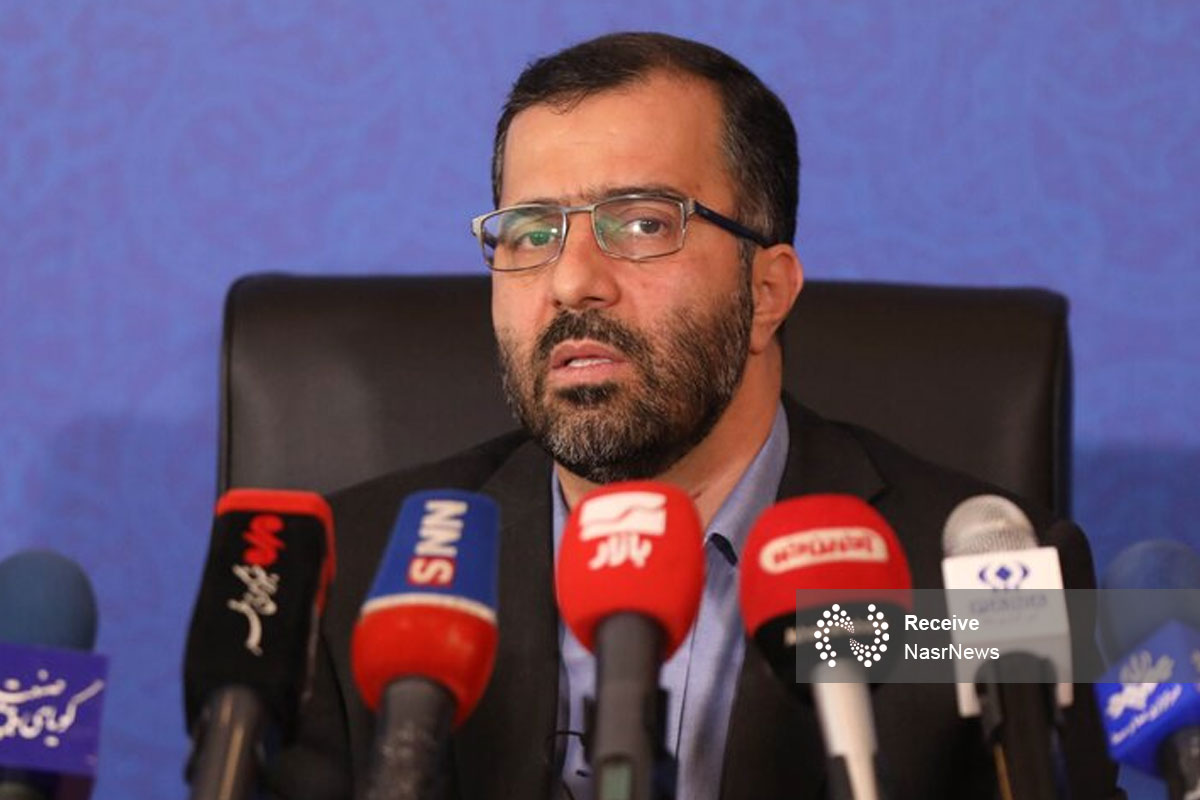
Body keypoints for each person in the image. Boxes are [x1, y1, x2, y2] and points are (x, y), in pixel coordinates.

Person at [265, 32, 1122, 800]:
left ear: (767, 290)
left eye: (642, 223)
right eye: (530, 231)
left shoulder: (989, 581)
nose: (572, 282)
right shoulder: (355, 572)